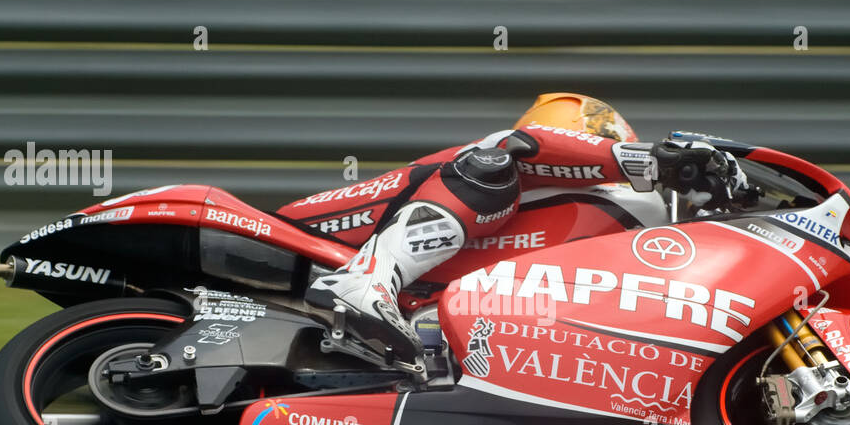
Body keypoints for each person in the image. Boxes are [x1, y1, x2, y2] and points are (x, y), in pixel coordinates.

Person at [301, 92, 751, 363]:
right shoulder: (503, 158)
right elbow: (524, 146)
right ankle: (366, 280)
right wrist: (652, 162)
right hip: (320, 242)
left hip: (433, 319)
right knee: (493, 165)